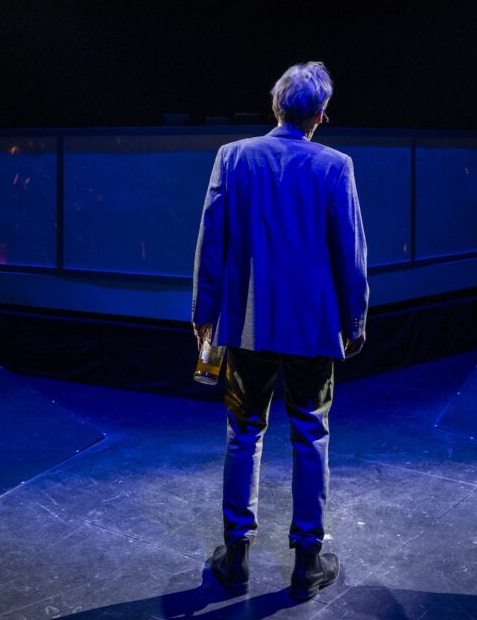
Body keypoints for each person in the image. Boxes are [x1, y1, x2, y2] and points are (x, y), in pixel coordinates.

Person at [192, 62, 369, 601]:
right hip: (313, 331)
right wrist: (354, 320)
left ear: (276, 107)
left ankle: (236, 556)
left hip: (247, 329)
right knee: (310, 433)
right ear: (320, 115)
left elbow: (212, 243)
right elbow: (350, 254)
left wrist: (205, 315)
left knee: (243, 433)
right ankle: (308, 561)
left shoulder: (233, 156)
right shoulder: (336, 166)